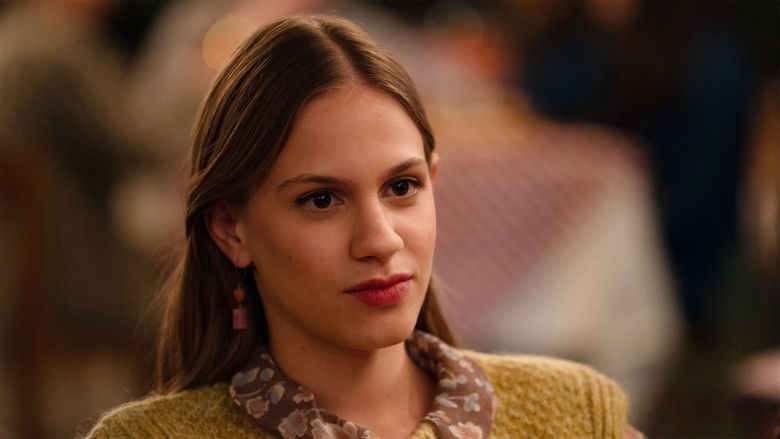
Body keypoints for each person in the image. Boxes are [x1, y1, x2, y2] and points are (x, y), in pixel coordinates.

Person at [85, 15, 642, 439]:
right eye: (321, 199)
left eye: (402, 187)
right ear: (232, 229)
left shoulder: (573, 415)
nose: (380, 240)